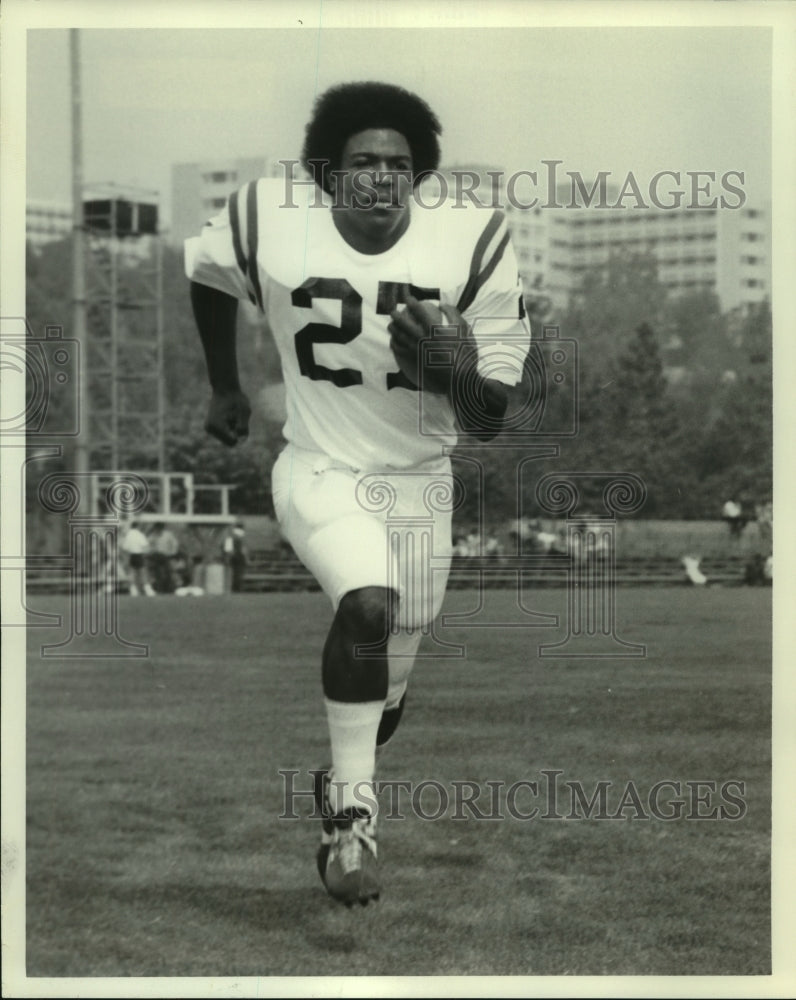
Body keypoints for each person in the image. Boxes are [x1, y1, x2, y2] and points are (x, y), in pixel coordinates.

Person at [185, 81, 530, 907]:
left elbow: (488, 418)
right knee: (366, 607)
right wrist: (225, 386)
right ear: (327, 173)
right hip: (321, 467)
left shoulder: (474, 242)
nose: (381, 176)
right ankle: (354, 824)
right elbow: (205, 272)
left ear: (420, 176)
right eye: (363, 161)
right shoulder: (268, 216)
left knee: (389, 692)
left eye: (399, 164)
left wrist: (453, 372)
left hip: (420, 486)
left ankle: (343, 777)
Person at [120, 521, 155, 597]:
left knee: (132, 573)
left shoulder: (128, 535)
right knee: (143, 572)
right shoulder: (140, 535)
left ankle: (133, 590)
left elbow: (125, 547)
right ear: (138, 526)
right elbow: (145, 545)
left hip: (131, 555)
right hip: (139, 554)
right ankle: (147, 589)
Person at [148, 522, 179, 594]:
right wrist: (151, 552)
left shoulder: (168, 535)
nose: (157, 530)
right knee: (157, 574)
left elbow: (175, 544)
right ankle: (160, 589)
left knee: (168, 573)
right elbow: (148, 544)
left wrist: (173, 553)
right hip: (156, 556)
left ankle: (169, 589)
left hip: (166, 556)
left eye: (159, 528)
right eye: (156, 529)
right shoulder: (153, 535)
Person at [223, 521, 248, 593]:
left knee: (235, 576)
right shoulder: (240, 535)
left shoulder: (231, 536)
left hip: (235, 558)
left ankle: (235, 589)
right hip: (238, 558)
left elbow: (229, 549)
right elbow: (243, 549)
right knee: (238, 575)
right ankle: (236, 589)